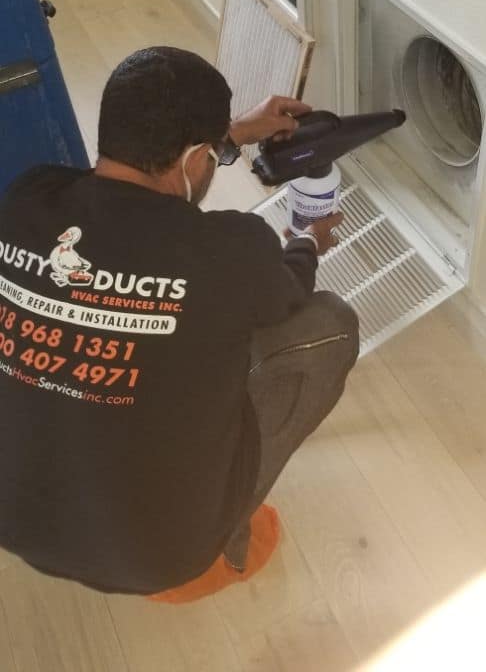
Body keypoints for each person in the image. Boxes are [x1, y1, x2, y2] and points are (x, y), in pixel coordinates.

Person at [0, 46, 359, 594]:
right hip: (162, 558)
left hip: (15, 520)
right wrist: (308, 241)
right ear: (196, 160)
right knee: (327, 323)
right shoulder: (230, 249)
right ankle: (230, 534)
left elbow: (126, 188)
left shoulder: (29, 198)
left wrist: (228, 136)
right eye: (213, 157)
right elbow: (288, 291)